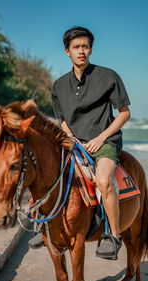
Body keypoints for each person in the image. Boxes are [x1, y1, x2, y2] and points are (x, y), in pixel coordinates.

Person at [29, 26, 130, 260]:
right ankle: (41, 225)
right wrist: (69, 137)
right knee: (42, 172)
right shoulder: (58, 85)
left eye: (85, 46)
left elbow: (124, 113)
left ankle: (113, 236)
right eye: (76, 47)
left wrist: (102, 137)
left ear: (91, 49)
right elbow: (63, 119)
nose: (81, 51)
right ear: (67, 51)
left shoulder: (108, 76)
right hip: (73, 142)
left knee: (104, 181)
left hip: (104, 141)